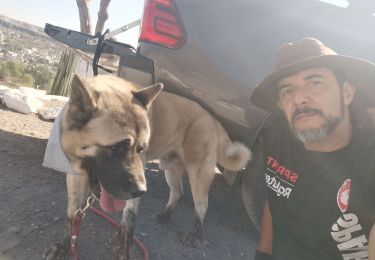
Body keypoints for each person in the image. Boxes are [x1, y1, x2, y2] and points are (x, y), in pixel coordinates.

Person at [249, 37, 375, 260]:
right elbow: (275, 200)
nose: (298, 98)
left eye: (314, 82)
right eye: (286, 90)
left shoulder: (368, 160)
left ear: (347, 92)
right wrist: (263, 254)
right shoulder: (277, 134)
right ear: (280, 105)